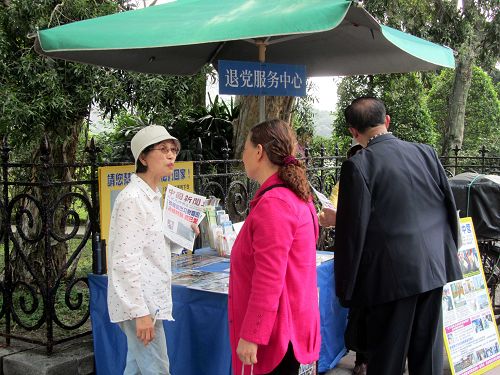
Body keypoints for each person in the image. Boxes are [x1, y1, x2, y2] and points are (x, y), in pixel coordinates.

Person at [334, 97, 462, 375]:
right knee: (426, 355)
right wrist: (449, 253)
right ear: (387, 120)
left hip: (391, 279)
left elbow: (352, 234)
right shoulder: (425, 152)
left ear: (353, 132)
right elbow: (448, 207)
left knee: (387, 359)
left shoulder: (358, 166)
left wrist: (346, 290)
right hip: (434, 267)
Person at [228, 119, 321, 375]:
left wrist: (252, 335)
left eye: (245, 148)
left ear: (259, 151)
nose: (242, 155)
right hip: (289, 327)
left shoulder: (276, 203)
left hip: (277, 335)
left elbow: (269, 276)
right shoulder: (292, 196)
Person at [107, 125, 197, 375]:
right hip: (142, 303)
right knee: (157, 369)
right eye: (163, 149)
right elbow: (124, 261)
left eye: (173, 150)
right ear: (143, 158)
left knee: (136, 369)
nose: (171, 155)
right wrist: (140, 312)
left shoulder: (152, 195)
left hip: (150, 301)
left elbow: (154, 245)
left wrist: (185, 232)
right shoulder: (133, 199)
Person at [318, 140, 368, 375]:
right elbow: (334, 205)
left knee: (367, 306)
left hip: (370, 255)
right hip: (350, 251)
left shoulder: (375, 181)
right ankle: (360, 357)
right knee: (356, 305)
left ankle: (365, 357)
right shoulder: (344, 183)